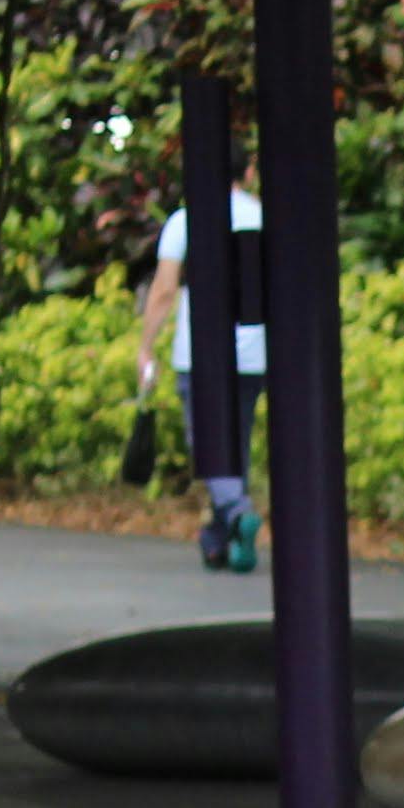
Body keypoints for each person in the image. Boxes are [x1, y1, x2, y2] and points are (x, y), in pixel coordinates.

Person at [137, 179, 269, 574]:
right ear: (246, 170)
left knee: (208, 445)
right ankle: (220, 538)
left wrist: (146, 345)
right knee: (236, 445)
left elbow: (164, 289)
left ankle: (238, 511)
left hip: (200, 352)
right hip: (254, 351)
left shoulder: (187, 220)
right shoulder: (263, 216)